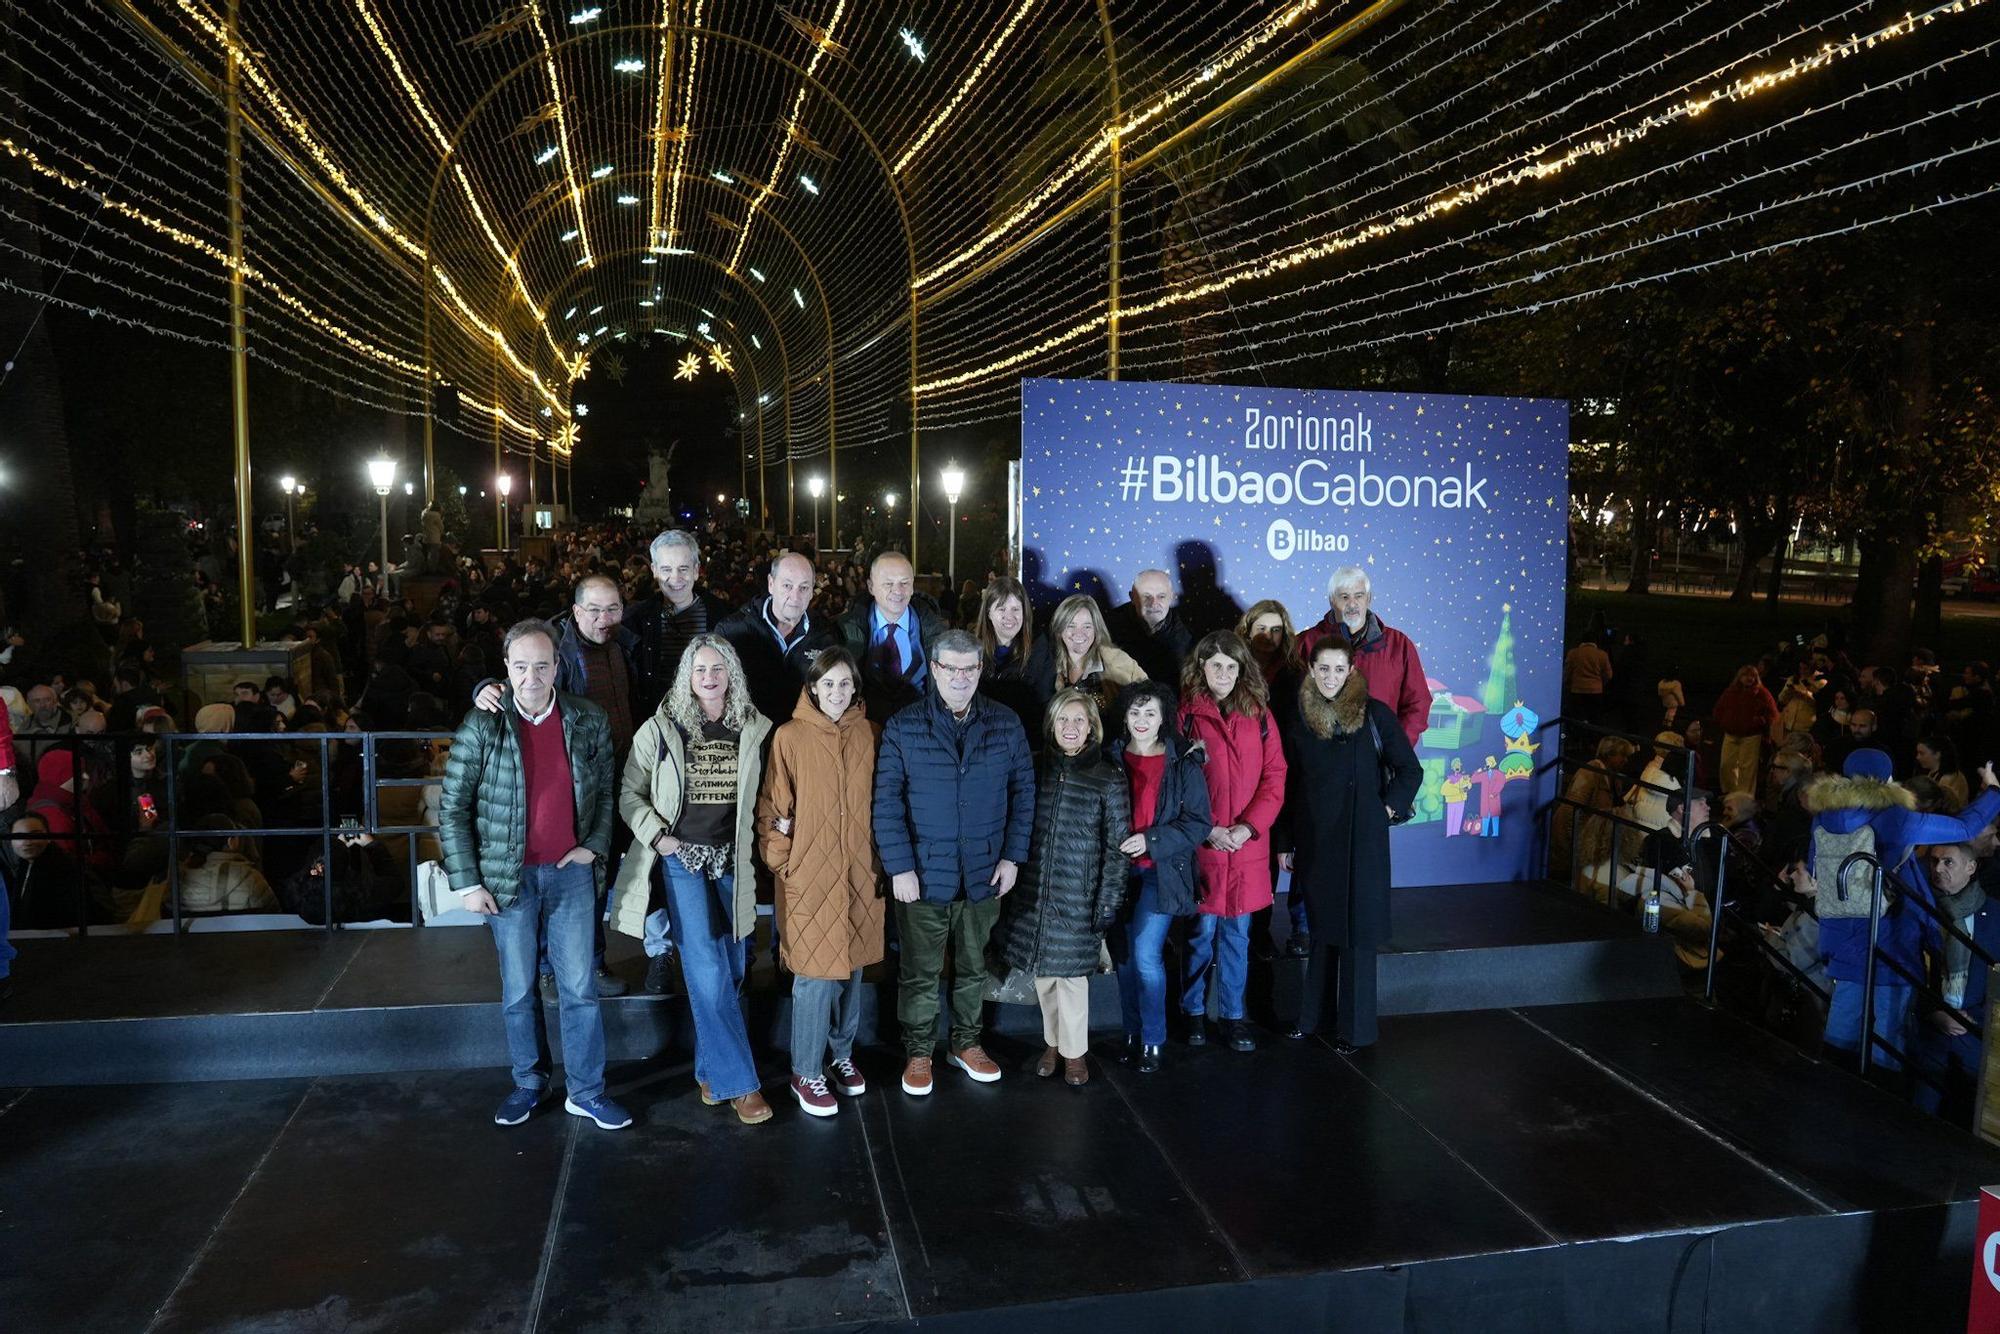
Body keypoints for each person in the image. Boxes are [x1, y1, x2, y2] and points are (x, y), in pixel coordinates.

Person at [437, 618, 629, 1132]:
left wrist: (593, 846)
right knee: (519, 990)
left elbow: (606, 792)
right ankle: (529, 1082)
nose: (531, 677)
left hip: (571, 874)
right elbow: (452, 807)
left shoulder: (586, 718)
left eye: (541, 666)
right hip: (508, 880)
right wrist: (468, 882)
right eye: (520, 666)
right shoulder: (482, 724)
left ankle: (586, 1092)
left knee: (580, 989)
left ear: (557, 666)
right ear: (506, 668)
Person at [608, 633, 774, 1125]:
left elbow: (766, 792)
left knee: (734, 964)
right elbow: (629, 793)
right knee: (705, 966)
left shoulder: (752, 726)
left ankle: (709, 1070)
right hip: (682, 859)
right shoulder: (661, 729)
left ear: (731, 674)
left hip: (733, 859)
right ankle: (741, 1085)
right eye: (700, 669)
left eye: (718, 668)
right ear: (687, 675)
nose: (709, 676)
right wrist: (658, 837)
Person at [872, 628, 1036, 1097]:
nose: (960, 678)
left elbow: (1024, 794)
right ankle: (919, 1051)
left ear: (980, 669)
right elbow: (886, 802)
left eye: (969, 669)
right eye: (951, 669)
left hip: (985, 871)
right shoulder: (904, 726)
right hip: (923, 875)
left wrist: (1013, 856)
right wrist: (899, 867)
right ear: (935, 669)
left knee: (973, 966)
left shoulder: (1005, 723)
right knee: (920, 971)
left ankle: (966, 1043)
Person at [1802, 747, 2000, 1076]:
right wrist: (1993, 792)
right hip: (1890, 937)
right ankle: (1882, 1097)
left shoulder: (1824, 816)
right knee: (1889, 1035)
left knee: (1842, 1026)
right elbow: (1965, 829)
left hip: (1842, 935)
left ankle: (1830, 1094)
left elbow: (1815, 870)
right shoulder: (1895, 817)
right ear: (1887, 779)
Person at [754, 648, 882, 1118]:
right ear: (812, 687)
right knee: (813, 976)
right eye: (828, 683)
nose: (837, 692)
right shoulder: (789, 736)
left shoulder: (870, 734)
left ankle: (840, 1055)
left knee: (851, 969)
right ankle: (805, 1071)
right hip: (809, 873)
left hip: (860, 872)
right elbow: (773, 807)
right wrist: (785, 863)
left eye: (845, 683)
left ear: (856, 688)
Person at [1283, 637, 1422, 1052]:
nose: (1331, 677)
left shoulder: (1375, 714)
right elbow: (1290, 785)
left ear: (1351, 671)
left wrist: (1386, 810)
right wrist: (1285, 841)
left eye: (1338, 669)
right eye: (1323, 669)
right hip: (1317, 840)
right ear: (1311, 670)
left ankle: (1356, 1031)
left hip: (1363, 843)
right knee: (1322, 931)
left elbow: (1409, 770)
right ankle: (1313, 1020)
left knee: (1358, 936)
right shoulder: (1298, 719)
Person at [996, 690, 1132, 1087]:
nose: (1070, 728)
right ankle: (1053, 1044)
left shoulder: (1108, 777)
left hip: (1080, 896)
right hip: (1036, 892)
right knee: (1045, 975)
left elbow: (1117, 847)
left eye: (1078, 721)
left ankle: (1075, 1053)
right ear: (1051, 725)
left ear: (1091, 728)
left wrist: (1108, 900)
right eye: (1063, 720)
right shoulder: (1034, 767)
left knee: (1071, 980)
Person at [1178, 631, 1287, 1046]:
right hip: (1203, 844)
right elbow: (1174, 779)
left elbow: (1274, 776)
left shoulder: (1259, 715)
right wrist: (1206, 829)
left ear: (1242, 670)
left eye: (1230, 666)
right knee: (1199, 935)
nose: (1222, 674)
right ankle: (1192, 1012)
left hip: (1245, 846)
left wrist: (1247, 827)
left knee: (1238, 937)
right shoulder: (1186, 715)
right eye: (1215, 665)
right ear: (1201, 668)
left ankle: (1232, 1015)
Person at [1107, 680, 1211, 1074]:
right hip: (1117, 874)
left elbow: (1198, 822)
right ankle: (1131, 1033)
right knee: (1124, 959)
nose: (1142, 720)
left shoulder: (1182, 760)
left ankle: (1153, 1038)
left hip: (1162, 873)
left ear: (1163, 717)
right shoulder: (1111, 756)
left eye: (1150, 713)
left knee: (1146, 955)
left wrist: (1150, 840)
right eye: (1135, 712)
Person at [1294, 566, 1429, 745]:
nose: (1352, 604)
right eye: (1344, 597)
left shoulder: (1399, 645)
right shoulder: (1305, 644)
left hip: (1380, 757)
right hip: (1322, 756)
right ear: (1332, 600)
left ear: (1369, 598)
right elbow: (1289, 703)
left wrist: (1396, 747)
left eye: (1359, 596)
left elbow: (1418, 703)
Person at [715, 551, 838, 726]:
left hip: (800, 735)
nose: (795, 597)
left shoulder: (826, 636)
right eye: (787, 585)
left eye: (803, 588)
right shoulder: (731, 631)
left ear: (812, 591)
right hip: (746, 734)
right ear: (771, 584)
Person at [629, 530, 733, 715]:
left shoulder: (724, 616)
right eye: (666, 569)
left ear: (696, 570)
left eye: (683, 569)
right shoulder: (636, 620)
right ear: (654, 571)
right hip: (658, 718)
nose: (675, 578)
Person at [837, 550, 941, 722]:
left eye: (904, 583)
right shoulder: (843, 631)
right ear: (871, 587)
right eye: (888, 584)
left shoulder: (938, 632)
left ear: (913, 586)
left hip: (921, 728)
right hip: (866, 729)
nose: (897, 591)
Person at [1028, 594, 1145, 715]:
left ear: (1096, 630)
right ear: (1059, 630)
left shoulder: (1117, 661)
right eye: (1071, 626)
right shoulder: (1046, 665)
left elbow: (1149, 700)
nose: (1079, 633)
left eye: (1087, 626)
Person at [974, 576, 1040, 742]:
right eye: (1001, 609)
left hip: (1025, 742)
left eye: (1015, 609)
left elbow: (1044, 706)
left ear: (1024, 612)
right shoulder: (970, 652)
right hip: (982, 742)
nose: (1009, 616)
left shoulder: (1039, 650)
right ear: (988, 613)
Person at [1108, 569, 1195, 686]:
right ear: (1132, 597)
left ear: (1172, 597)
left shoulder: (1190, 631)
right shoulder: (1110, 627)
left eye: (1161, 596)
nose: (1154, 603)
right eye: (1146, 596)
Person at [1713, 665, 1779, 797]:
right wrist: (1724, 722)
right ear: (1739, 677)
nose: (1749, 678)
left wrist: (1759, 722)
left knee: (1747, 768)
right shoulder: (1731, 692)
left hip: (1751, 736)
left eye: (1752, 676)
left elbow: (1772, 714)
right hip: (1731, 734)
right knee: (1726, 765)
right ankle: (1730, 793)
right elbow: (1719, 709)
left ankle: (1744, 797)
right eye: (1745, 675)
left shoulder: (1762, 693)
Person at [1562, 636, 1614, 726]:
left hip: (1577, 690)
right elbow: (1609, 675)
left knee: (1577, 719)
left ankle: (1579, 733)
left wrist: (1567, 684)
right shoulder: (1602, 654)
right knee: (1595, 719)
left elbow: (1567, 672)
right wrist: (1601, 683)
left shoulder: (1573, 653)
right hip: (1596, 691)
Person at [1915, 736, 1969, 811]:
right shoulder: (1932, 773)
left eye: (1922, 753)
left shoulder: (1951, 777)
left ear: (1937, 754)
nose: (1917, 757)